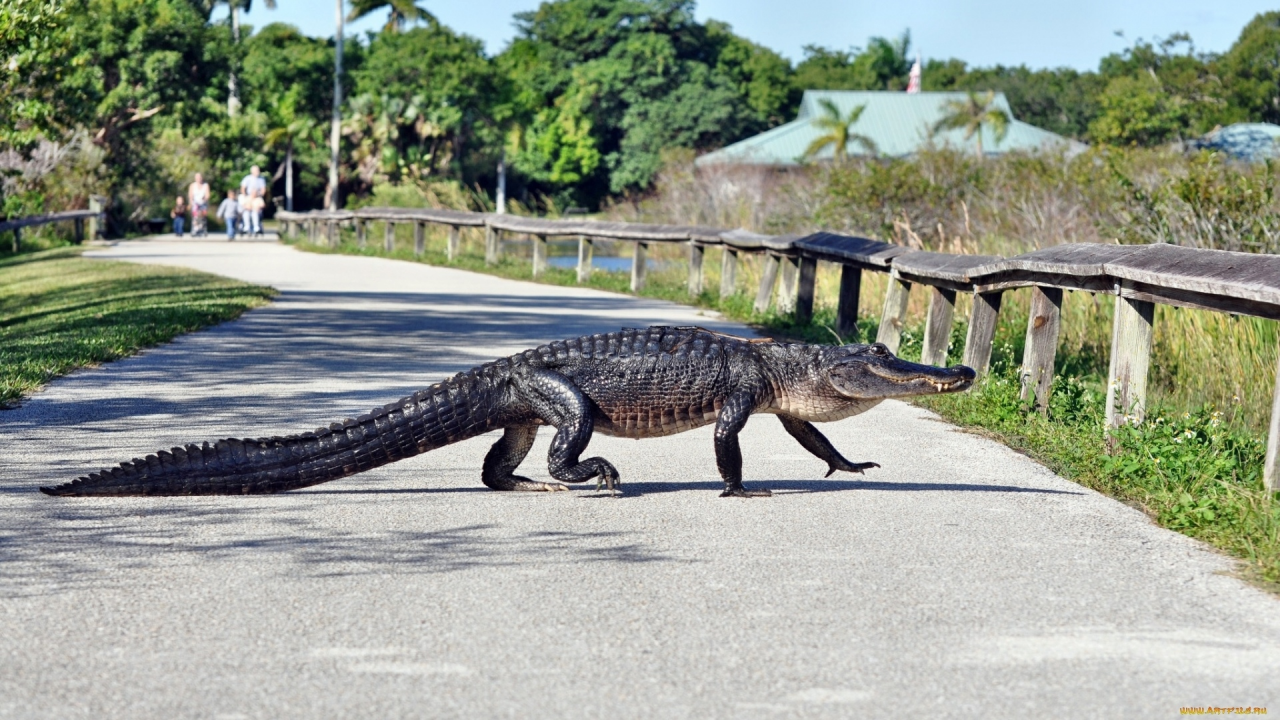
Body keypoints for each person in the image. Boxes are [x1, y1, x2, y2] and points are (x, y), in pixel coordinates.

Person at [240, 165, 267, 236]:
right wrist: (245, 196)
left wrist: (260, 195)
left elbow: (263, 189)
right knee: (246, 213)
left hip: (257, 197)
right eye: (256, 171)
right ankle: (246, 227)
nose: (258, 172)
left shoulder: (261, 179)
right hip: (248, 196)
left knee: (255, 213)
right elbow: (243, 188)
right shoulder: (247, 178)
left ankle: (256, 227)